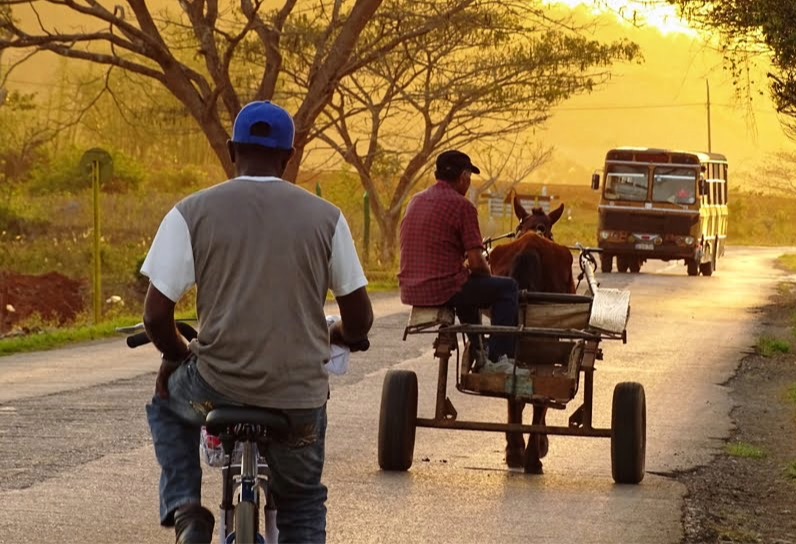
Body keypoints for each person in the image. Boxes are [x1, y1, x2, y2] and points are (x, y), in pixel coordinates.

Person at [140, 100, 373, 544]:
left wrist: (178, 354)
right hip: (297, 397)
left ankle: (186, 508)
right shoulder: (328, 218)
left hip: (216, 385)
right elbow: (359, 320)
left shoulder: (191, 211)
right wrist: (340, 334)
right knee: (302, 500)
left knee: (168, 402)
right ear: (288, 157)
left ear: (232, 150)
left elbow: (155, 316)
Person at [398, 150, 519, 369]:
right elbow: (476, 262)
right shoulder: (463, 206)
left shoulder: (416, 200)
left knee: (466, 284)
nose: (469, 183)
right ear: (463, 177)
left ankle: (478, 346)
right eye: (469, 178)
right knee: (507, 288)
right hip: (443, 288)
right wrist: (487, 275)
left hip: (410, 288)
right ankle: (500, 359)